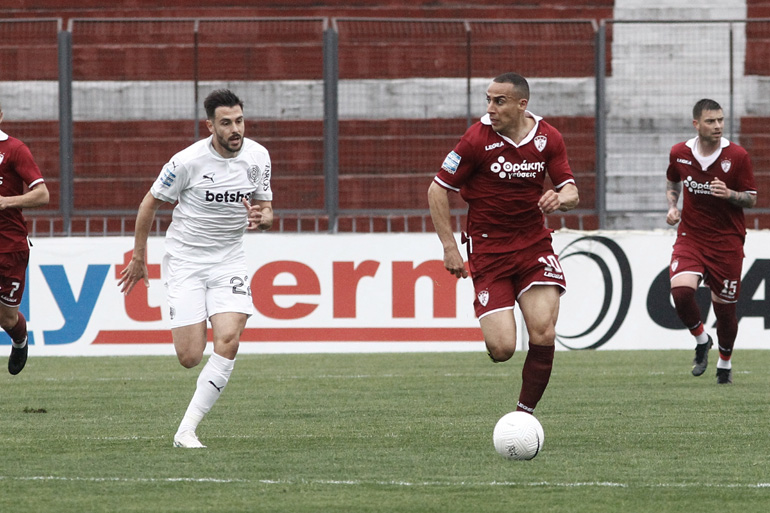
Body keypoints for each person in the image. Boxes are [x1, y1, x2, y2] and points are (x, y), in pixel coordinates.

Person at [118, 89, 273, 447]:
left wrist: (263, 218)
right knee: (189, 356)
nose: (236, 129)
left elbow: (266, 208)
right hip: (186, 261)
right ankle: (186, 428)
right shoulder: (186, 162)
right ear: (210, 126)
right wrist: (139, 257)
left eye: (239, 121)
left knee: (228, 340)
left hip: (229, 259)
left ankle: (186, 430)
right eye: (226, 123)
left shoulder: (258, 156)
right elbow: (149, 204)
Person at [428, 72, 579, 415]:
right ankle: (501, 352)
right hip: (488, 250)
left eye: (499, 101)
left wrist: (559, 198)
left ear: (522, 104)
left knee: (543, 331)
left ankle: (524, 415)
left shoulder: (548, 137)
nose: (490, 108)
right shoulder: (475, 139)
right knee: (503, 349)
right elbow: (437, 189)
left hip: (533, 246)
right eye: (488, 100)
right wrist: (449, 247)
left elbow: (571, 191)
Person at [666, 98, 757, 385]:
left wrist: (729, 194)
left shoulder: (737, 156)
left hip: (727, 242)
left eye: (720, 120)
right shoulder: (679, 153)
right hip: (691, 236)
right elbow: (673, 180)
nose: (718, 126)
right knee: (681, 292)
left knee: (725, 312)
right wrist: (672, 206)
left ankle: (725, 363)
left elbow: (751, 198)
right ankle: (701, 339)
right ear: (696, 124)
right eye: (710, 121)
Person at [0, 102, 49, 375]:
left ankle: (19, 340)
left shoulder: (15, 150)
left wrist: (7, 201)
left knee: (7, 318)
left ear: (0, 116)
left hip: (9, 246)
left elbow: (42, 194)